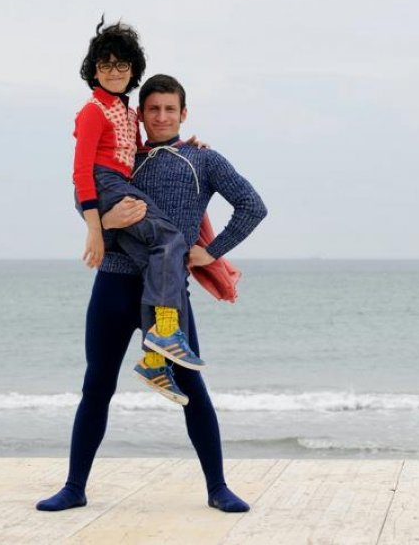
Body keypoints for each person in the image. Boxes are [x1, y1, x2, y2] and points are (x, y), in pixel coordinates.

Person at [36, 73, 267, 513]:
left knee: (191, 386)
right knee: (96, 385)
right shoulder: (124, 162)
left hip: (166, 295)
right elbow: (86, 200)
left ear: (184, 113)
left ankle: (218, 488)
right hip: (113, 284)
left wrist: (210, 252)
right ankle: (74, 487)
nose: (161, 116)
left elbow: (253, 206)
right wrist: (106, 222)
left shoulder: (203, 159)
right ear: (139, 114)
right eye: (153, 109)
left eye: (170, 109)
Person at [72, 18, 204, 404]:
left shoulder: (127, 113)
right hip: (106, 185)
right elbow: (81, 172)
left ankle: (154, 361)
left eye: (122, 64)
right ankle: (165, 331)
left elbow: (141, 151)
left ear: (133, 69)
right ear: (94, 69)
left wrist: (186, 146)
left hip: (119, 183)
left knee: (153, 262)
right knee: (170, 239)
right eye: (105, 64)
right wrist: (96, 229)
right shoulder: (93, 110)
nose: (113, 71)